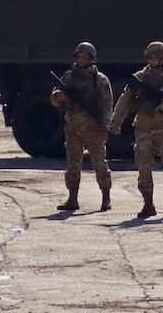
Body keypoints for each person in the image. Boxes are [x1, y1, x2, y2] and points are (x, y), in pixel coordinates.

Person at [110, 41, 163, 219]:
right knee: (143, 165)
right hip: (143, 126)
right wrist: (116, 122)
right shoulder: (140, 77)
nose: (153, 60)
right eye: (151, 57)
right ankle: (148, 203)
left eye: (157, 57)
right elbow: (125, 100)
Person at [50, 42, 114, 212]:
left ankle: (106, 197)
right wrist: (57, 96)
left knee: (99, 162)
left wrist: (105, 128)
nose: (81, 60)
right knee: (72, 163)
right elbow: (55, 98)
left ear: (91, 59)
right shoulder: (68, 77)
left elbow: (107, 105)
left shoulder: (100, 80)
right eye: (79, 57)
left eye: (85, 57)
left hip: (92, 125)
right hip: (72, 125)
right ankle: (72, 198)